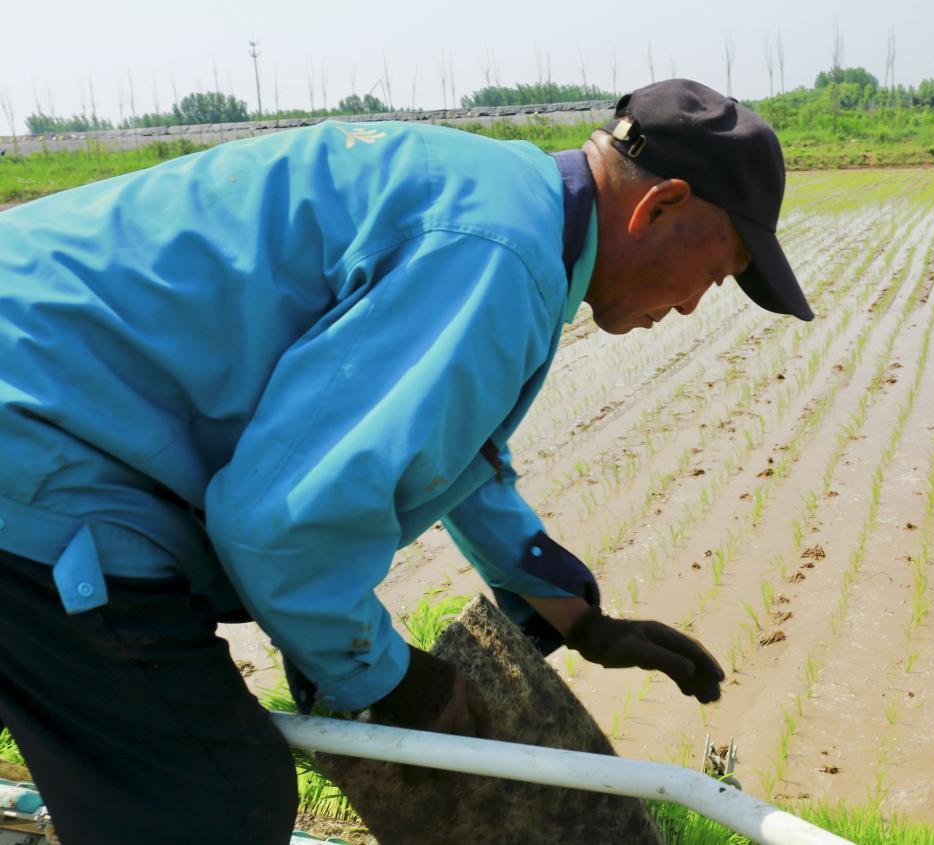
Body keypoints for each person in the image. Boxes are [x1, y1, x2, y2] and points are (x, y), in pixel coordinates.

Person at [0, 79, 812, 843]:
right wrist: (393, 681)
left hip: (40, 404)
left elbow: (447, 453)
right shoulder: (497, 253)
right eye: (716, 269)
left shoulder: (505, 202)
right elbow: (283, 521)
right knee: (215, 800)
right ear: (661, 204)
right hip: (39, 444)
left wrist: (578, 615)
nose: (692, 304)